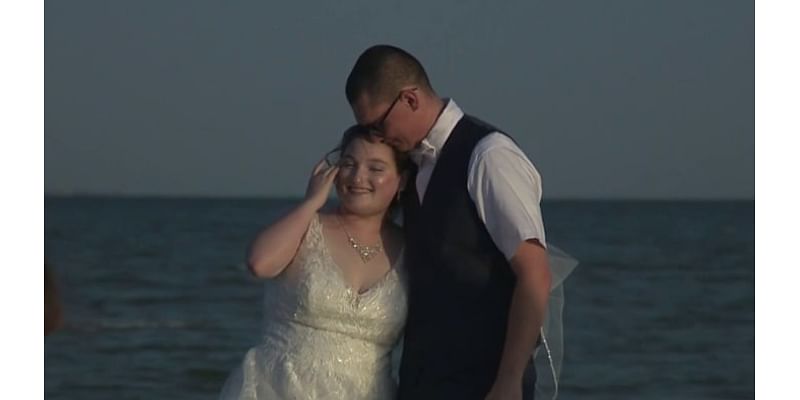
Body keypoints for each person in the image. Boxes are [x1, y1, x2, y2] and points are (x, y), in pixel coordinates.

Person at [345, 45, 577, 400]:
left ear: (410, 99)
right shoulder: (409, 166)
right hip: (423, 382)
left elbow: (534, 274)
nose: (376, 137)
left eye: (378, 123)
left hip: (486, 384)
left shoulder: (489, 156)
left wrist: (509, 380)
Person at [219, 125, 411, 399]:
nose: (358, 177)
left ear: (401, 180)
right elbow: (259, 263)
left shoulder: (411, 249)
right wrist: (311, 203)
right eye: (348, 163)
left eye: (376, 168)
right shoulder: (307, 227)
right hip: (278, 388)